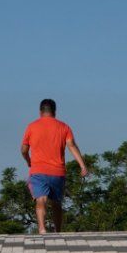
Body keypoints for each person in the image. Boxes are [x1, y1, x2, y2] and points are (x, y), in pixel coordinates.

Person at [20, 98, 88, 234]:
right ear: (54, 112)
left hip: (38, 171)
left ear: (40, 112)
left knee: (41, 199)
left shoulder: (32, 127)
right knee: (56, 203)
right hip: (58, 173)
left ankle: (42, 228)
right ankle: (58, 230)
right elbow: (71, 146)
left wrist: (28, 160)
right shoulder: (64, 127)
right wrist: (82, 165)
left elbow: (23, 149)